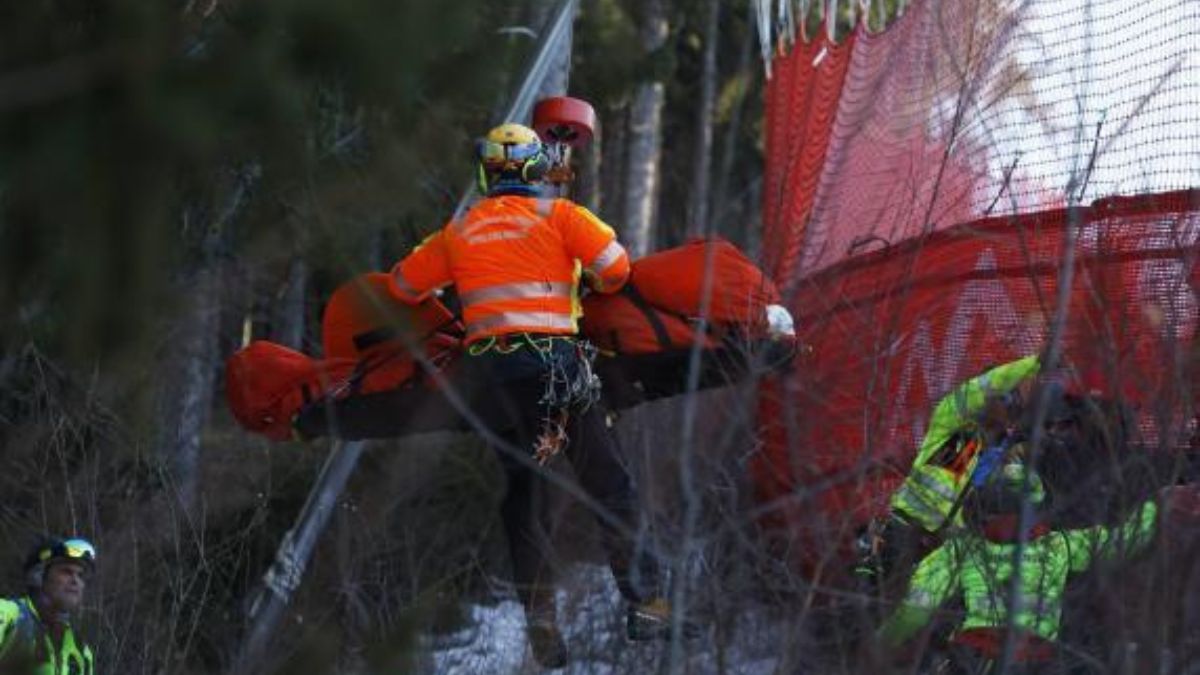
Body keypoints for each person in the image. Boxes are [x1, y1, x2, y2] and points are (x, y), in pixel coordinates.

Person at [388, 122, 671, 668]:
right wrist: (575, 279)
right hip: (555, 368)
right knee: (608, 484)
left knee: (525, 495)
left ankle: (541, 620)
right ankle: (648, 607)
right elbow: (617, 270)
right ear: (537, 171)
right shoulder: (562, 216)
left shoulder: (460, 231)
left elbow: (403, 287)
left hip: (491, 381)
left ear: (486, 173)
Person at [875, 462, 1195, 674]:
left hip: (975, 659)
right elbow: (1122, 543)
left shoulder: (961, 551)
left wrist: (878, 645)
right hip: (1034, 661)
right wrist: (1158, 506)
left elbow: (915, 610)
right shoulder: (1060, 546)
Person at [861, 355, 1042, 591]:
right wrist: (1035, 361)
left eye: (1011, 401)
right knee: (874, 591)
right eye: (1003, 398)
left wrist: (1016, 472)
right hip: (905, 529)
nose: (1008, 406)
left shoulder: (998, 453)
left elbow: (1027, 496)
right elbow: (979, 389)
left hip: (943, 548)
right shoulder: (950, 423)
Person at [0, 536, 96, 674]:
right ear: (38, 577)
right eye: (66, 571)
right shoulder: (8, 616)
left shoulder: (81, 653)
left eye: (80, 575)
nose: (76, 580)